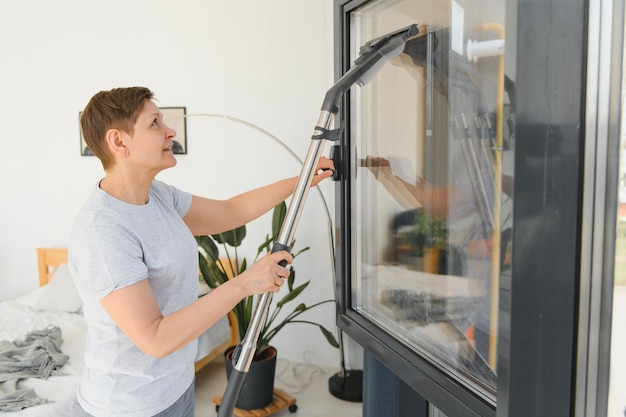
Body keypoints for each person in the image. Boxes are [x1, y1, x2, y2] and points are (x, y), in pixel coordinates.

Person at [67, 86, 334, 417]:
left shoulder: (158, 196)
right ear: (119, 142)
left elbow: (230, 212)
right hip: (129, 406)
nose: (170, 131)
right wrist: (244, 283)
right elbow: (155, 338)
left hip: (175, 387)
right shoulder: (103, 231)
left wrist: (303, 179)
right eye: (154, 124)